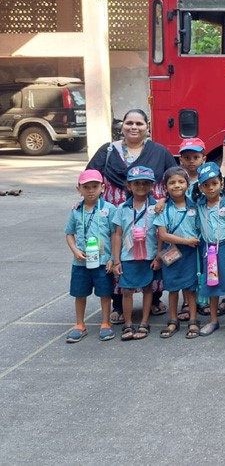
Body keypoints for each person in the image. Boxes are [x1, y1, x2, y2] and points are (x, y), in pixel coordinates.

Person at [86, 108, 176, 322]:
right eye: (129, 123)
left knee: (151, 253)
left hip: (150, 212)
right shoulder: (107, 151)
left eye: (139, 123)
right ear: (122, 126)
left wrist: (164, 199)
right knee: (118, 255)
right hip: (118, 214)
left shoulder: (159, 151)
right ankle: (118, 304)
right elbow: (91, 178)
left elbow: (174, 177)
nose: (134, 127)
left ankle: (154, 299)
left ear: (147, 127)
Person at [64, 169, 116, 343]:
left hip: (102, 261)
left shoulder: (109, 209)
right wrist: (75, 251)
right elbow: (69, 233)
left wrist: (112, 258)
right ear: (79, 189)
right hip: (81, 261)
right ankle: (79, 325)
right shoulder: (77, 210)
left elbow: (116, 234)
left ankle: (105, 323)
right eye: (86, 187)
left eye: (95, 186)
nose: (91, 190)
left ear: (103, 187)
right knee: (80, 293)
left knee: (105, 293)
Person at [111, 166, 159, 341]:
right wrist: (116, 260)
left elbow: (160, 232)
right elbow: (117, 234)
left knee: (148, 288)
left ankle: (145, 322)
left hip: (148, 256)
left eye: (145, 183)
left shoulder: (156, 207)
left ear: (152, 185)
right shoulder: (122, 208)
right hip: (128, 256)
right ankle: (128, 323)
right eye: (136, 183)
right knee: (126, 290)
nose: (141, 186)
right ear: (129, 186)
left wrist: (158, 256)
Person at [154, 167, 202, 339]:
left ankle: (193, 320)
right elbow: (163, 234)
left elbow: (199, 228)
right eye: (172, 182)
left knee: (190, 288)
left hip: (190, 254)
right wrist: (159, 255)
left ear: (188, 185)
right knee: (172, 289)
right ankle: (173, 320)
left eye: (181, 182)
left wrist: (193, 242)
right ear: (165, 188)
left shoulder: (194, 206)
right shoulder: (162, 209)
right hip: (171, 253)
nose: (177, 185)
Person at [196, 163, 225, 337]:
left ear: (221, 184)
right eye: (206, 185)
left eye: (214, 183)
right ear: (200, 187)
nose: (210, 188)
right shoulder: (200, 205)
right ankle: (213, 320)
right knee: (211, 286)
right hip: (209, 250)